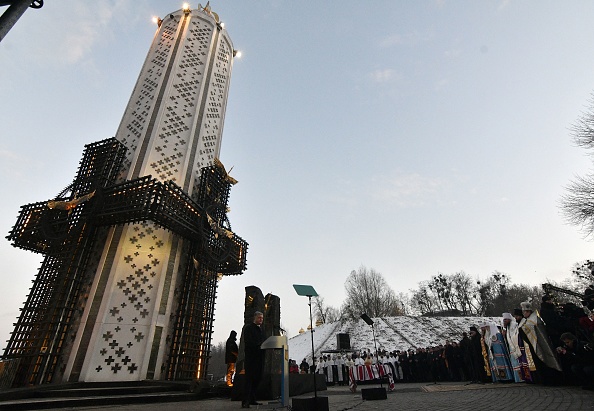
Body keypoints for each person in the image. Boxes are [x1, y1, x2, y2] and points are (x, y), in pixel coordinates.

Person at [242, 311, 265, 409]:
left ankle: (252, 399)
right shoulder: (248, 328)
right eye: (259, 318)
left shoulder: (261, 330)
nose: (261, 320)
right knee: (249, 380)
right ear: (254, 318)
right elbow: (248, 342)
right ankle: (245, 401)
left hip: (259, 358)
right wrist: (258, 345)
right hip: (251, 359)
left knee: (257, 379)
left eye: (262, 318)